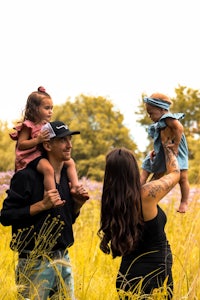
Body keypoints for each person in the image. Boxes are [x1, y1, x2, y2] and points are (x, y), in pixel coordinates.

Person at [0, 120, 89, 299]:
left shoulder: (65, 176)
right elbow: (6, 216)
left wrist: (78, 204)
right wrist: (41, 205)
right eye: (63, 140)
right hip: (34, 263)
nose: (69, 145)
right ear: (47, 144)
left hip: (63, 259)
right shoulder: (25, 176)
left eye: (70, 139)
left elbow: (65, 219)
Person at [98, 128, 180, 299]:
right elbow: (175, 173)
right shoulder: (145, 195)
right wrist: (168, 149)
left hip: (127, 277)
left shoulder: (112, 201)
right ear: (132, 169)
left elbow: (143, 187)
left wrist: (151, 167)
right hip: (155, 279)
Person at [9, 86, 87, 200]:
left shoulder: (46, 125)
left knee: (70, 162)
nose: (51, 112)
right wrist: (37, 140)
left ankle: (75, 186)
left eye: (52, 108)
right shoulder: (28, 125)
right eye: (47, 108)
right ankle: (51, 194)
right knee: (48, 169)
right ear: (35, 109)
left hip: (41, 155)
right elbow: (21, 144)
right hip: (30, 157)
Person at [140, 92, 190, 213]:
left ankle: (184, 201)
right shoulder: (159, 123)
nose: (149, 116)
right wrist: (155, 150)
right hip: (163, 151)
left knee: (182, 177)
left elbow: (179, 128)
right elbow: (160, 140)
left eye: (151, 113)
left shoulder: (168, 118)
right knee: (157, 175)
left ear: (162, 109)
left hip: (177, 150)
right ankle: (143, 195)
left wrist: (176, 145)